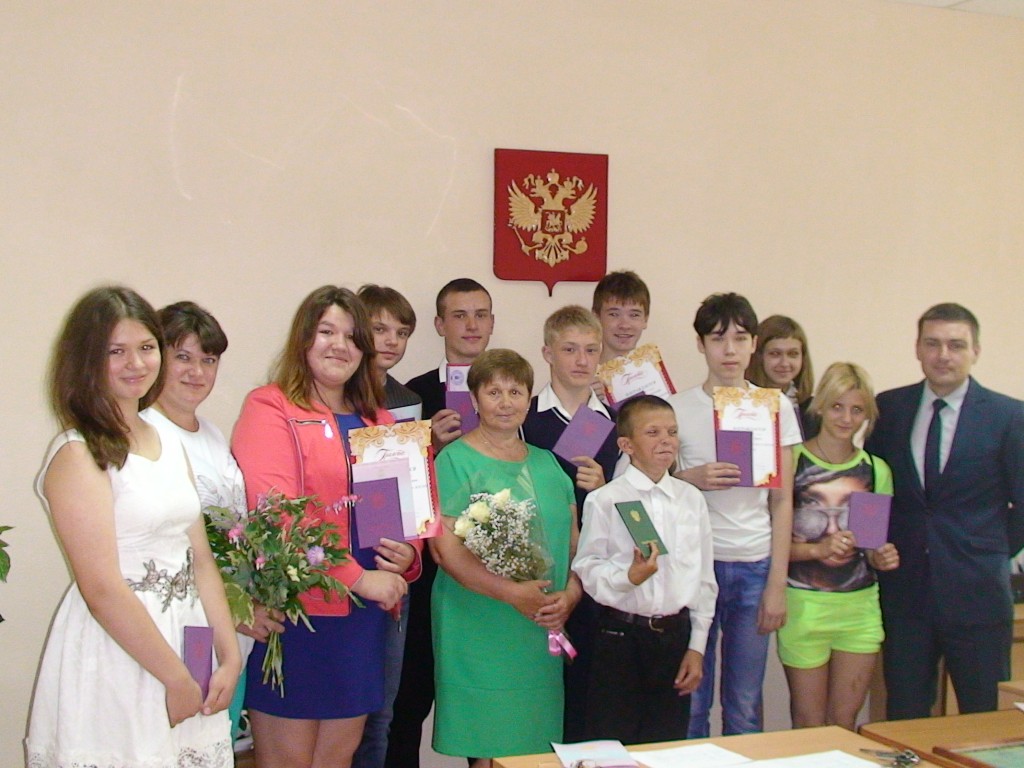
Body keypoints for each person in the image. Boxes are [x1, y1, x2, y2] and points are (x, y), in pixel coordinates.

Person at [27, 286, 239, 767]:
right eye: (115, 351)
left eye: (146, 347)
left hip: (188, 635)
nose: (136, 363)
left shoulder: (165, 436)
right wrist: (175, 678)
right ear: (86, 359)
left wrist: (228, 656)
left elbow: (201, 561)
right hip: (122, 648)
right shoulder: (77, 453)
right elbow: (101, 589)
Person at [231, 286, 418, 768]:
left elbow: (406, 515)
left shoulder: (379, 419)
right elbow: (277, 516)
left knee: (339, 759)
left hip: (363, 619)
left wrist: (409, 555)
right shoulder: (271, 407)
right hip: (297, 613)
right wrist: (358, 578)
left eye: (352, 336)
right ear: (304, 339)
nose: (340, 345)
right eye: (326, 332)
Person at [866, 303, 1024, 719]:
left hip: (978, 594)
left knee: (982, 718)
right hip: (906, 593)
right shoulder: (890, 408)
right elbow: (871, 487)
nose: (943, 355)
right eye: (933, 344)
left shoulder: (1009, 416)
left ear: (976, 351)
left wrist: (990, 551)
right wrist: (870, 544)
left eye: (956, 345)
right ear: (918, 348)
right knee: (905, 714)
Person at [430, 349, 579, 765]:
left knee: (534, 746)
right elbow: (445, 550)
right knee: (489, 743)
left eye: (516, 392)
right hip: (478, 624)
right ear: (474, 400)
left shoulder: (549, 464)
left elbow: (576, 545)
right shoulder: (453, 461)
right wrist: (511, 593)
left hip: (540, 625)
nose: (505, 402)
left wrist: (570, 595)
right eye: (493, 392)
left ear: (529, 399)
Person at [668, 292, 800, 738]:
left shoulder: (775, 406)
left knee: (744, 705)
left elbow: (783, 500)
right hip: (695, 566)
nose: (729, 350)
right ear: (700, 344)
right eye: (717, 338)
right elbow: (653, 491)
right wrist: (690, 477)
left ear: (754, 344)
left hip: (754, 565)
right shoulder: (676, 408)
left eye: (740, 339)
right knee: (691, 700)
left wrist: (777, 584)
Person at [144, 300, 270, 747]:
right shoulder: (144, 435)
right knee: (183, 741)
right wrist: (234, 611)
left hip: (230, 629)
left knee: (214, 741)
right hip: (184, 626)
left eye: (209, 359)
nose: (197, 372)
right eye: (183, 357)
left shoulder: (212, 434)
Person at [387, 277, 494, 768]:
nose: (471, 325)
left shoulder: (510, 391)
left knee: (484, 694)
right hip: (427, 570)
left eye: (481, 314)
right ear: (439, 325)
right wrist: (426, 444)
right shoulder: (412, 396)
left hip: (492, 567)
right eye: (459, 315)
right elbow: (387, 484)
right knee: (409, 698)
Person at [573, 395, 717, 743]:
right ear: (627, 445)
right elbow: (587, 567)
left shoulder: (691, 499)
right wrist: (627, 578)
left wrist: (697, 646)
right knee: (612, 744)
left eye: (672, 432)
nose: (666, 440)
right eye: (653, 432)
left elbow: (704, 579)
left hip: (674, 637)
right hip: (620, 639)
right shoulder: (606, 499)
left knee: (666, 744)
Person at [777, 363, 899, 730]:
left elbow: (871, 545)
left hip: (859, 609)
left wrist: (882, 555)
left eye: (856, 410)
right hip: (803, 607)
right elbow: (771, 544)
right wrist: (817, 550)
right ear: (821, 406)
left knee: (844, 721)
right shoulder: (793, 462)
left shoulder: (875, 470)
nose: (846, 418)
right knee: (809, 721)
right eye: (837, 407)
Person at [521, 304, 619, 741]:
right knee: (531, 690)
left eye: (591, 350)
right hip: (533, 573)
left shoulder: (615, 422)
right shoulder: (524, 418)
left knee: (585, 690)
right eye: (570, 349)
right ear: (547, 353)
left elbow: (633, 509)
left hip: (592, 576)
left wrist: (605, 488)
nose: (582, 360)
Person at [352, 284, 422, 768]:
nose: (391, 341)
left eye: (401, 332)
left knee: (382, 713)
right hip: (340, 567)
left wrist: (412, 552)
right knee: (341, 713)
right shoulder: (327, 396)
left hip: (393, 561)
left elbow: (412, 493)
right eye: (380, 329)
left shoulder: (407, 400)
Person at [746, 315, 817, 438]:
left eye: (793, 354)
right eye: (775, 354)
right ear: (759, 356)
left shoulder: (813, 411)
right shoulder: (743, 404)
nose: (784, 363)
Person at [591, 270, 650, 364]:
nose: (625, 325)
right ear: (596, 318)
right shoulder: (582, 372)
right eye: (614, 314)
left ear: (645, 319)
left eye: (634, 315)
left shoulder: (655, 372)